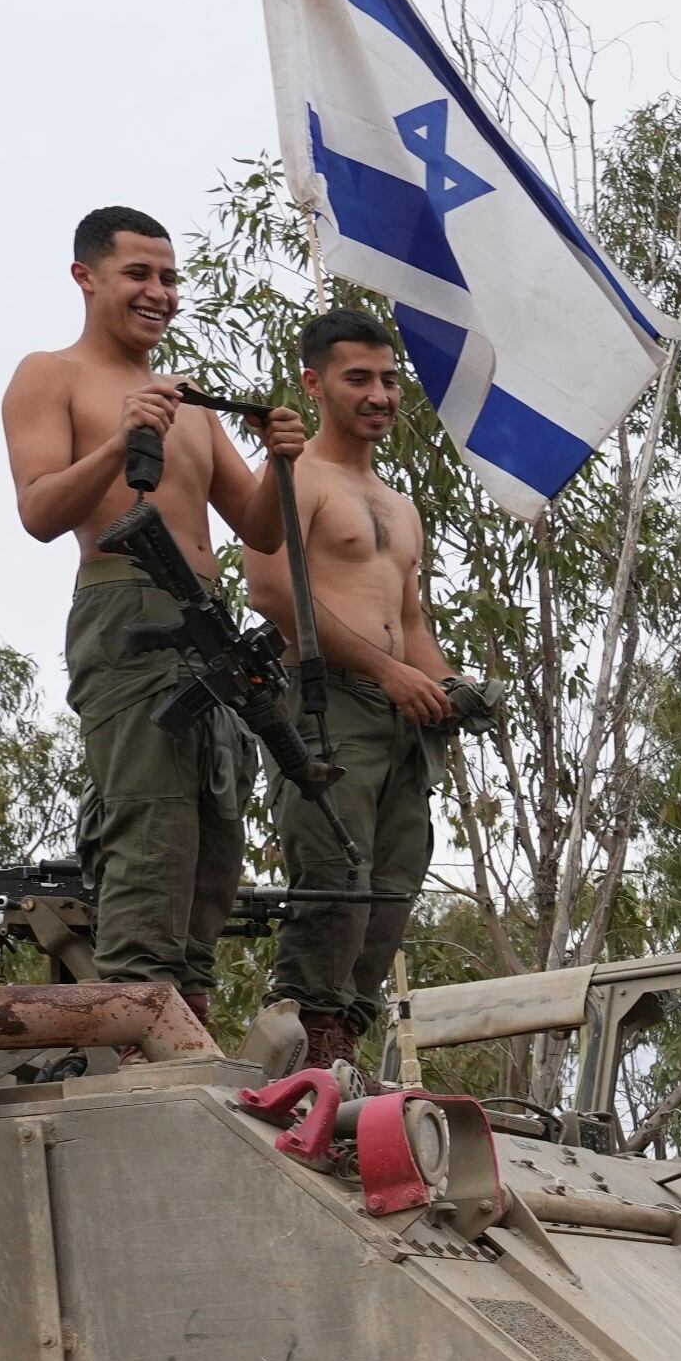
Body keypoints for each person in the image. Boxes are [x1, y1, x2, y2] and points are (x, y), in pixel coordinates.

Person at [0, 207, 303, 1017]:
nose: (159, 293)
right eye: (139, 274)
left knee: (213, 827)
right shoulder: (51, 374)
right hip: (126, 611)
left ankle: (186, 1019)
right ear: (86, 277)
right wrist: (119, 438)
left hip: (208, 621)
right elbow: (38, 511)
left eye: (169, 278)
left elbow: (261, 526)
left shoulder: (192, 404)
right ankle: (133, 1028)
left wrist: (281, 460)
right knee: (149, 828)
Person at [240, 307, 455, 1076]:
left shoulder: (400, 504)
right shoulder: (297, 477)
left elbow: (411, 620)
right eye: (357, 378)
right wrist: (385, 671)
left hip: (399, 721)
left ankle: (342, 1050)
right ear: (314, 383)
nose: (379, 394)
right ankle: (300, 1053)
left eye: (390, 380)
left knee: (391, 891)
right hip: (327, 701)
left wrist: (449, 685)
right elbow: (271, 592)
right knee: (334, 879)